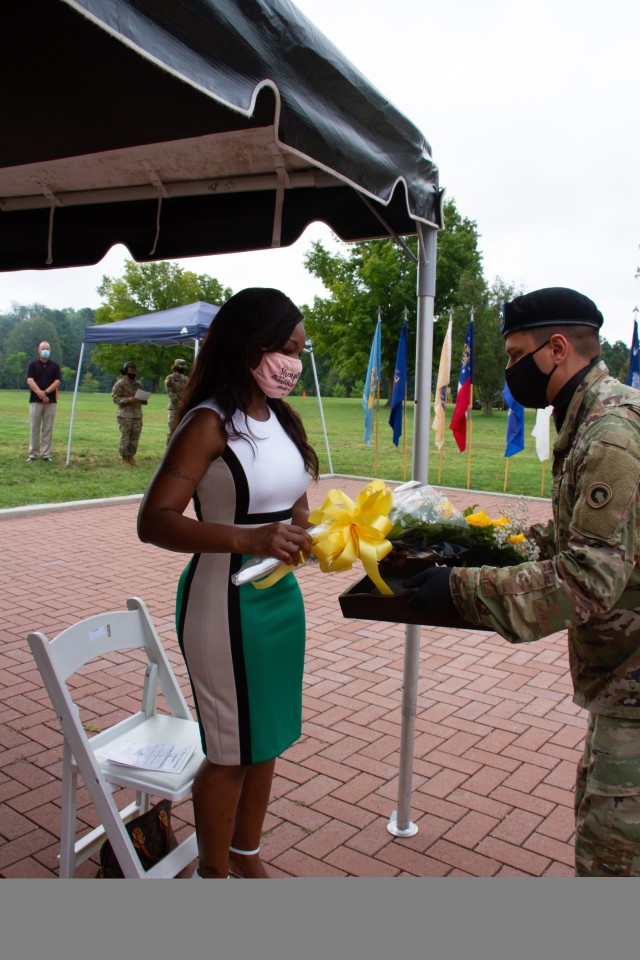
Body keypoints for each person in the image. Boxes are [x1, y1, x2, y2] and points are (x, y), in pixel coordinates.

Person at [405, 286, 640, 877]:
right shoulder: (589, 416)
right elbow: (573, 537)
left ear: (556, 348)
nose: (510, 370)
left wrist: (456, 592)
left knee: (613, 861)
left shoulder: (610, 435)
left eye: (515, 354)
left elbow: (586, 581)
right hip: (620, 681)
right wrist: (472, 548)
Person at [137, 288, 318, 879]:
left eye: (298, 349)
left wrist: (311, 532)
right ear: (249, 344)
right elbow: (155, 521)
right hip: (225, 605)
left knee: (264, 740)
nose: (292, 361)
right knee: (230, 751)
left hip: (278, 603)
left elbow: (291, 502)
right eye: (283, 348)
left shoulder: (280, 417)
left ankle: (245, 857)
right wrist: (248, 539)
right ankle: (214, 878)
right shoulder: (209, 422)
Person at [25, 341, 62, 462]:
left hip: (50, 401)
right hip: (35, 401)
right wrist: (40, 394)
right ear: (38, 350)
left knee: (47, 428)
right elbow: (30, 380)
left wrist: (46, 393)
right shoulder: (33, 365)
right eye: (43, 348)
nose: (45, 350)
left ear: (50, 350)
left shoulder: (55, 366)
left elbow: (57, 382)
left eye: (47, 348)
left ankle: (46, 453)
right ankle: (33, 453)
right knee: (34, 427)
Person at [111, 361, 147, 466]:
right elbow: (116, 399)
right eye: (131, 371)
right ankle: (124, 458)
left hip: (137, 415)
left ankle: (131, 457)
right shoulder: (120, 384)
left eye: (135, 371)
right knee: (125, 437)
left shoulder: (139, 384)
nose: (133, 373)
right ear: (126, 372)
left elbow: (142, 399)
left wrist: (144, 399)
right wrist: (129, 399)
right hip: (125, 415)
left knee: (135, 437)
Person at [164, 358, 189, 444]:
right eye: (180, 368)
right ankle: (168, 450)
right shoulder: (169, 378)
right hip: (174, 407)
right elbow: (170, 393)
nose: (181, 370)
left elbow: (189, 391)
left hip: (184, 407)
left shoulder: (186, 379)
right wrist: (178, 403)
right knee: (172, 429)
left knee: (183, 429)